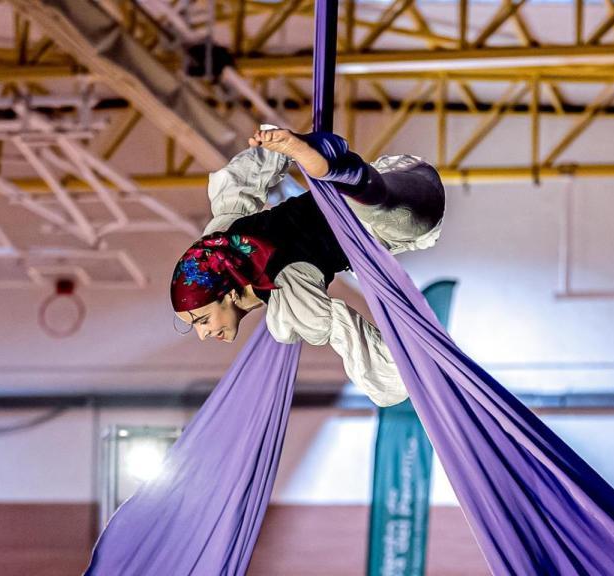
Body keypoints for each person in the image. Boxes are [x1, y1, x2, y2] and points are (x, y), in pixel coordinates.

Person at [170, 128, 445, 406]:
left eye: (202, 321)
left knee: (375, 205)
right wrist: (273, 149)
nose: (203, 334)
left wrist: (405, 380)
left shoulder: (286, 294)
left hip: (402, 216)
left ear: (227, 293)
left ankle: (340, 173)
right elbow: (238, 179)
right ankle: (335, 168)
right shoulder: (221, 237)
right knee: (371, 199)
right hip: (401, 179)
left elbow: (348, 333)